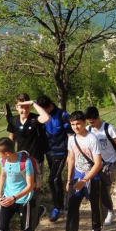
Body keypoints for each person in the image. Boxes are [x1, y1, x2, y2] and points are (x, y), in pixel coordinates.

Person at [58, 111, 109, 231]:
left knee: (95, 206)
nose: (75, 127)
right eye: (73, 124)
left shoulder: (92, 139)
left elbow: (98, 163)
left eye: (78, 124)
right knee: (72, 208)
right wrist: (69, 180)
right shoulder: (71, 139)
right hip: (77, 176)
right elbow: (71, 159)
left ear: (84, 123)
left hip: (93, 178)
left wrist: (85, 180)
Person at [7, 93, 50, 231]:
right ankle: (37, 214)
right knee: (24, 194)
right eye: (21, 106)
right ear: (16, 107)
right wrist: (8, 157)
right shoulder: (13, 120)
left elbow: (46, 118)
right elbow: (11, 140)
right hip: (20, 163)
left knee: (33, 194)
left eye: (26, 106)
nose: (24, 109)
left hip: (35, 161)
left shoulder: (34, 118)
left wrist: (33, 103)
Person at [85, 106, 116, 226]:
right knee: (96, 191)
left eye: (92, 122)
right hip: (95, 164)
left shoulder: (109, 129)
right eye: (88, 122)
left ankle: (108, 213)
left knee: (105, 189)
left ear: (98, 117)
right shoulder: (88, 130)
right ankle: (102, 214)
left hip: (109, 164)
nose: (91, 124)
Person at [0, 137, 35, 231]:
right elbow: (3, 176)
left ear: (7, 153)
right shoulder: (3, 160)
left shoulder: (26, 162)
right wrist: (0, 196)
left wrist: (14, 198)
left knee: (26, 229)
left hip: (24, 200)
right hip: (7, 198)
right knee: (1, 227)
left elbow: (30, 186)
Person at [35, 95, 73, 223]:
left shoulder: (63, 115)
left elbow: (70, 136)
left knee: (53, 179)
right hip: (49, 152)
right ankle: (62, 206)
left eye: (44, 109)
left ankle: (58, 208)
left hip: (61, 152)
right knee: (56, 180)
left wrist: (69, 155)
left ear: (50, 106)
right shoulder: (42, 117)